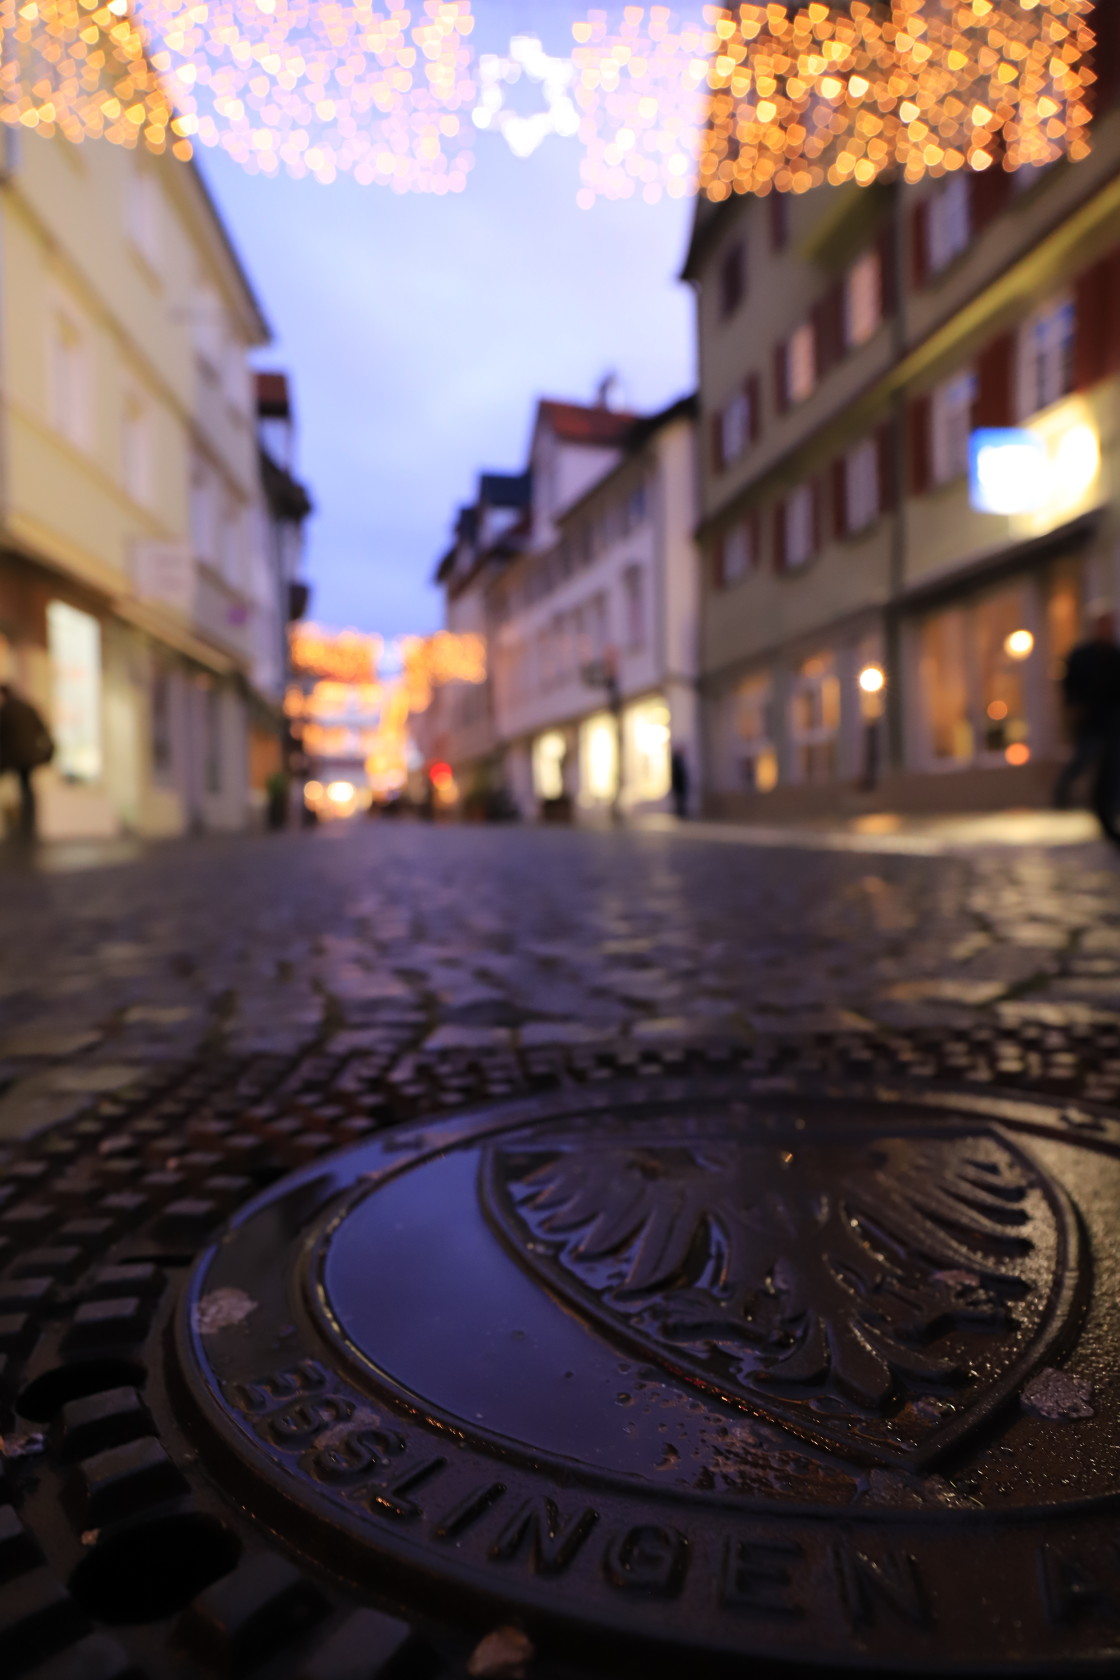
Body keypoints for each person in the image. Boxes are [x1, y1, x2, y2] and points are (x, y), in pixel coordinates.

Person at [1055, 605, 1120, 842]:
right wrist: (1075, 706)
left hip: (1112, 723)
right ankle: (1063, 791)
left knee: (1111, 773)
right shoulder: (1081, 655)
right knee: (1084, 759)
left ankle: (1107, 818)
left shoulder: (1115, 654)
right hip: (1090, 723)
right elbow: (1069, 685)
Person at [0, 682, 53, 840]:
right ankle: (28, 823)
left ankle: (18, 822)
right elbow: (42, 728)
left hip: (12, 758)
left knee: (20, 788)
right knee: (26, 788)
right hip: (28, 757)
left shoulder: (5, 711)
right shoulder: (27, 708)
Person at [670, 745, 690, 820]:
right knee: (679, 800)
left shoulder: (681, 761)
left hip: (682, 785)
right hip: (678, 785)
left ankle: (682, 813)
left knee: (682, 800)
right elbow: (675, 775)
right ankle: (680, 813)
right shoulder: (675, 761)